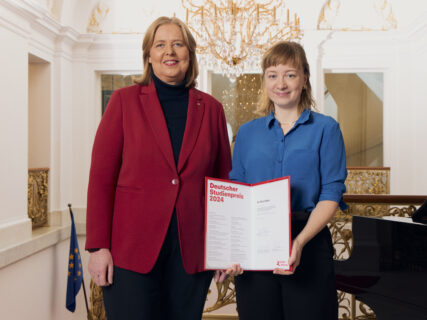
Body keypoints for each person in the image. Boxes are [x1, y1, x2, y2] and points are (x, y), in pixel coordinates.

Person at [85, 16, 232, 320]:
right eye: (160, 44)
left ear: (189, 54)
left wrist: (223, 248)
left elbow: (223, 186)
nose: (170, 52)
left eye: (178, 44)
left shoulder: (212, 109)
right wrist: (98, 247)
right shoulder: (124, 102)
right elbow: (101, 179)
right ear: (148, 55)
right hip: (130, 251)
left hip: (191, 253)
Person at [225, 41, 347, 320]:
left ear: (304, 78)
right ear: (264, 81)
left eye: (290, 74)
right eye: (273, 75)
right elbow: (237, 192)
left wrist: (300, 242)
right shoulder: (246, 133)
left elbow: (332, 191)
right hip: (255, 244)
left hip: (308, 239)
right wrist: (233, 247)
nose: (281, 83)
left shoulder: (326, 129)